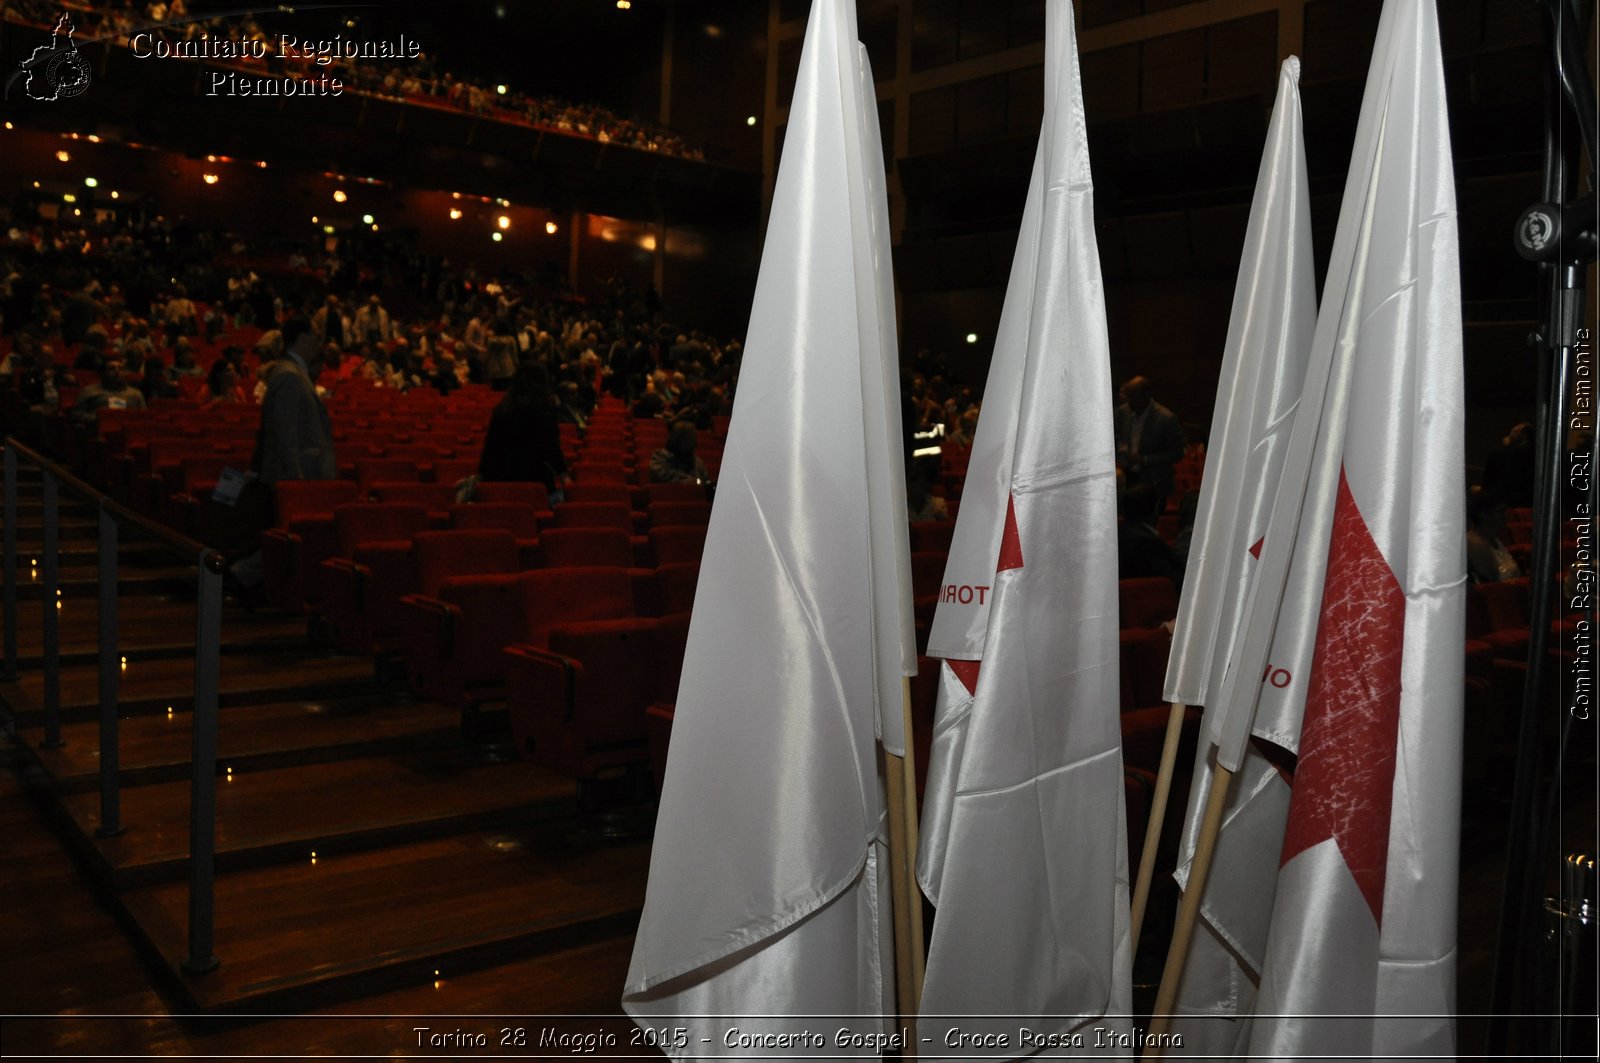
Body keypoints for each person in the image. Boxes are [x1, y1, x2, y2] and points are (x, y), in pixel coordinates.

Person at [253, 317, 336, 484]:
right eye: (317, 337)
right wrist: (295, 479)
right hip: (298, 476)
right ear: (303, 339)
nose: (320, 343)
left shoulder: (293, 372)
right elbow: (285, 434)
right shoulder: (290, 376)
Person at [478, 364, 568, 490]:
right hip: (536, 478)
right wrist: (563, 474)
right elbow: (552, 448)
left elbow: (491, 448)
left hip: (502, 477)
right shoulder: (545, 411)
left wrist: (481, 476)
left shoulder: (502, 410)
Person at [1113, 374, 1184, 515]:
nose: (1130, 402)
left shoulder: (1166, 419)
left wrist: (1145, 460)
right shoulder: (1124, 412)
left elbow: (1177, 454)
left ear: (1146, 395)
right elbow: (1118, 438)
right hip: (1129, 480)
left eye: (1134, 397)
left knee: (1150, 525)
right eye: (1128, 397)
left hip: (1154, 484)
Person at [1466, 487, 1521, 585]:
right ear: (1484, 515)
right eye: (1500, 512)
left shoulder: (1494, 539)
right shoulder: (1475, 543)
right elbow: (1492, 585)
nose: (1505, 517)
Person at [70, 356, 146, 425]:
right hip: (98, 431)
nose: (117, 371)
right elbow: (76, 413)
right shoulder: (90, 391)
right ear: (103, 373)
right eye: (111, 368)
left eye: (120, 368)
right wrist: (101, 418)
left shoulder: (136, 394)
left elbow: (144, 417)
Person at [649, 419, 710, 485]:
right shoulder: (660, 457)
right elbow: (660, 475)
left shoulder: (697, 461)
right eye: (689, 439)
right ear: (678, 439)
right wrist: (688, 480)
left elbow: (704, 480)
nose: (694, 443)